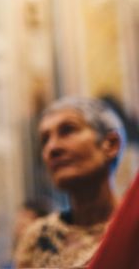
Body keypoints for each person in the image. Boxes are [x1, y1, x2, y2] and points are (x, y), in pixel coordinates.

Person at [14, 96, 126, 268]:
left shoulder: (131, 228)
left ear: (111, 144)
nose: (52, 148)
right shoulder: (37, 239)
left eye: (68, 130)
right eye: (45, 140)